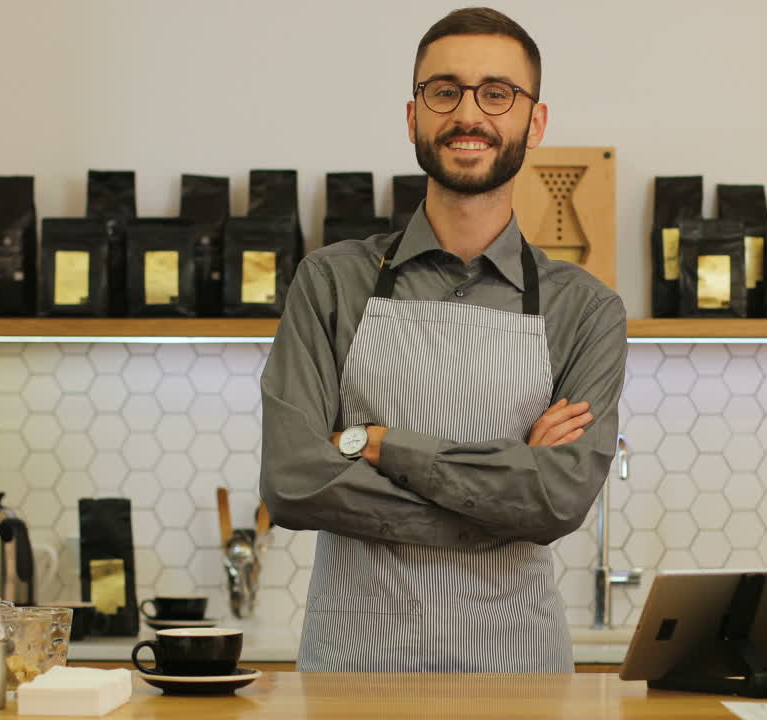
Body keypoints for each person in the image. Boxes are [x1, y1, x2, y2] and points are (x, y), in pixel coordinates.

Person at [259, 6, 627, 673]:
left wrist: (381, 446)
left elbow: (558, 499)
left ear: (533, 122)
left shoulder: (587, 310)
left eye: (497, 94)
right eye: (444, 91)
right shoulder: (330, 282)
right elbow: (292, 481)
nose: (469, 114)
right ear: (413, 117)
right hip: (355, 673)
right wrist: (498, 503)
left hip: (518, 675)